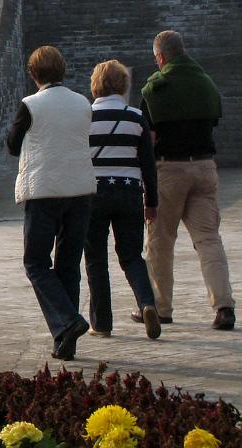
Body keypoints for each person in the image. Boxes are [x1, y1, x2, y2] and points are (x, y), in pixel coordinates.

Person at [141, 30, 234, 331]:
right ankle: (223, 307)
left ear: (162, 57)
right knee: (208, 239)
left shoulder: (155, 90)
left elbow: (150, 138)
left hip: (169, 170)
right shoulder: (205, 82)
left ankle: (161, 308)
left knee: (160, 241)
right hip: (205, 168)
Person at [7, 45, 96, 361]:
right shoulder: (83, 102)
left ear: (33, 75)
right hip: (81, 191)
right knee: (68, 265)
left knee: (36, 262)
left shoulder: (30, 105)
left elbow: (12, 146)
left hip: (44, 192)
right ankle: (65, 341)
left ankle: (68, 321)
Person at [82, 60, 161, 340]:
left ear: (96, 85)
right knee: (131, 255)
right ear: (124, 84)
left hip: (93, 194)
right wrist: (151, 202)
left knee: (95, 259)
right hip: (128, 192)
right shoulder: (137, 117)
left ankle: (101, 323)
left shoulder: (85, 116)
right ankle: (147, 303)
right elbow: (148, 166)